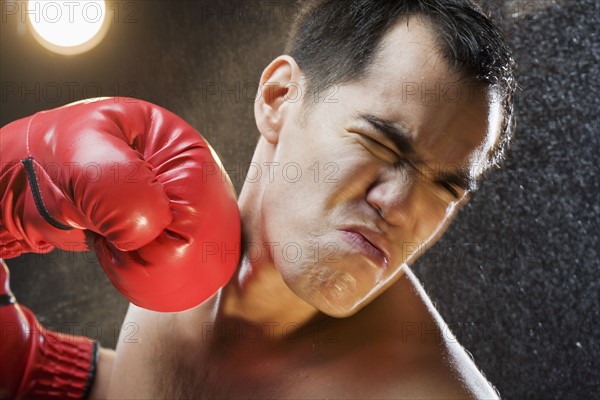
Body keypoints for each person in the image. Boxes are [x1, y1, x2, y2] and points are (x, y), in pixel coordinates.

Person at [2, 0, 516, 398]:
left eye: (445, 186)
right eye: (381, 143)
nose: (400, 206)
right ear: (278, 99)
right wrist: (29, 369)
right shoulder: (176, 225)